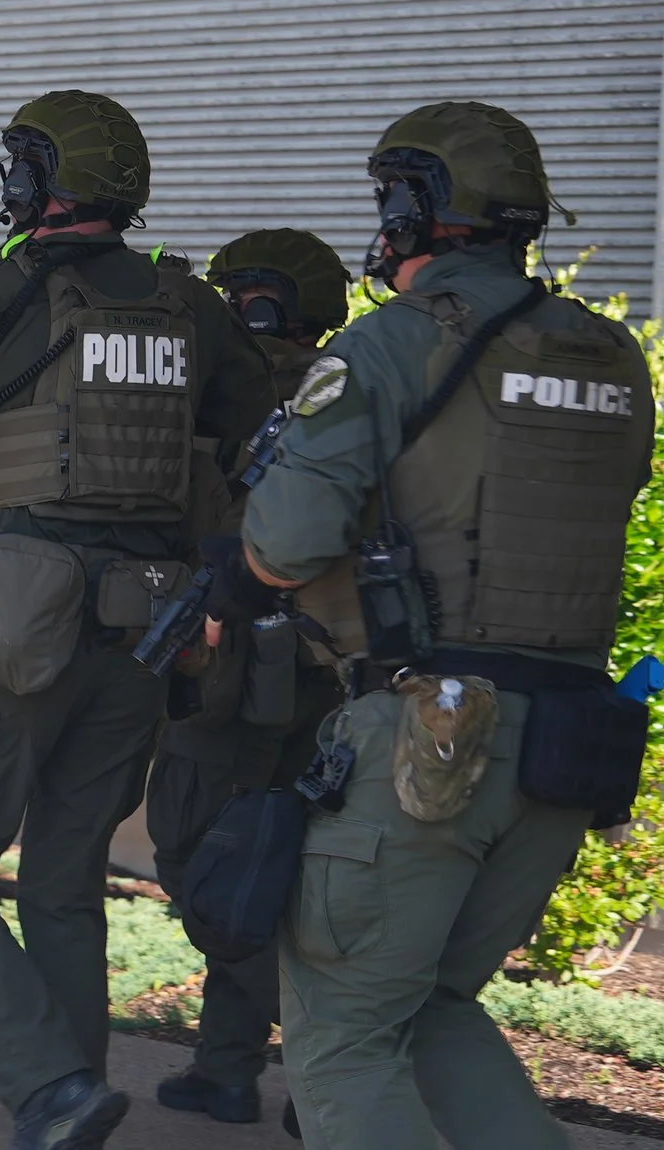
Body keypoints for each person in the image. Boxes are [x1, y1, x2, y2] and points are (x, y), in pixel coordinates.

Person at [0, 92, 275, 1149]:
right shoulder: (191, 306)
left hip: (15, 626)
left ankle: (50, 1088)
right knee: (65, 872)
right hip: (144, 628)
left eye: (16, 165)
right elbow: (257, 437)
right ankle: (74, 1098)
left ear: (42, 180)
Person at [234, 102, 654, 1150]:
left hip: (426, 744)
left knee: (341, 1036)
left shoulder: (390, 344)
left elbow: (281, 547)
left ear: (419, 206)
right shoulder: (611, 355)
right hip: (567, 743)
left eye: (388, 196)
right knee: (427, 1007)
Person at [147, 228, 352, 1128]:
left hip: (228, 668)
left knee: (203, 862)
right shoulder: (354, 392)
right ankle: (227, 1069)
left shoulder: (216, 391)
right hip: (326, 672)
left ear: (250, 302)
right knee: (280, 870)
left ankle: (325, 1072)